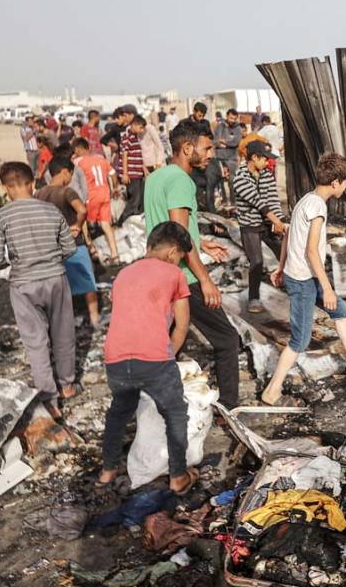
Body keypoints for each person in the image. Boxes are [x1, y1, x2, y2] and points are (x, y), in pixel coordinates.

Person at [262, 153, 346, 405]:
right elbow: (312, 251)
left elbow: (288, 234)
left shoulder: (306, 199)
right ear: (335, 183)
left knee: (340, 311)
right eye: (345, 182)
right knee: (300, 341)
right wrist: (327, 288)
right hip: (303, 281)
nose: (345, 187)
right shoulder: (318, 207)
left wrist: (281, 267)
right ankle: (272, 390)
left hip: (302, 275)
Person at [144, 121, 241, 408]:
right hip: (183, 276)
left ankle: (157, 395)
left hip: (158, 273)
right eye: (207, 147)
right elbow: (178, 233)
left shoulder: (156, 178)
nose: (211, 153)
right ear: (187, 148)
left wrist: (201, 242)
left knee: (171, 337)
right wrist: (206, 279)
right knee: (227, 339)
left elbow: (167, 228)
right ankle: (231, 407)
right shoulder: (182, 181)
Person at [97, 221, 198, 495]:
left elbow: (127, 315)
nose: (178, 263)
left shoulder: (123, 274)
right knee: (175, 412)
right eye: (179, 258)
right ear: (172, 252)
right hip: (153, 357)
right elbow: (182, 323)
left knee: (119, 411)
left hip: (115, 357)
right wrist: (168, 356)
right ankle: (177, 475)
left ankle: (108, 470)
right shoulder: (174, 274)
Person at [0, 162, 77, 418]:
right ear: (32, 183)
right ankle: (68, 385)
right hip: (56, 279)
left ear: (6, 188)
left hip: (23, 283)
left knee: (36, 342)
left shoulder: (0, 217)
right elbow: (70, 249)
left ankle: (50, 400)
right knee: (63, 334)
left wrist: (11, 261)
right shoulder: (51, 211)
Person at [36, 157, 100, 325]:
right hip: (73, 243)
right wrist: (77, 225)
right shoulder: (66, 191)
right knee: (87, 280)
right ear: (65, 171)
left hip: (52, 245)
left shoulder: (39, 193)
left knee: (62, 285)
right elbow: (82, 209)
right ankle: (94, 317)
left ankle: (66, 320)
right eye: (70, 174)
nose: (70, 178)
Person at [232, 141, 286, 313]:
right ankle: (253, 298)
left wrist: (279, 222)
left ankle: (288, 283)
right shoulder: (239, 178)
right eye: (265, 159)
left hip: (267, 223)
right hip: (250, 225)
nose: (268, 162)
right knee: (256, 261)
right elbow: (258, 202)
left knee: (284, 253)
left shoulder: (267, 175)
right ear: (254, 157)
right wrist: (275, 220)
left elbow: (272, 200)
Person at [73, 138, 120, 264]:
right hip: (104, 194)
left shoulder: (78, 162)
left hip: (90, 196)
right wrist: (114, 188)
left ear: (78, 149)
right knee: (106, 224)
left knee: (84, 222)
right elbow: (113, 173)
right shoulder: (101, 159)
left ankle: (92, 250)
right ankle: (115, 255)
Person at [118, 115, 148, 222]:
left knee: (139, 199)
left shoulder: (135, 137)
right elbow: (124, 155)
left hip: (137, 173)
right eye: (141, 127)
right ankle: (122, 221)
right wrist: (125, 174)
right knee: (135, 200)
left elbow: (138, 155)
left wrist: (144, 169)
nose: (142, 130)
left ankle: (134, 221)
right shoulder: (127, 137)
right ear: (134, 125)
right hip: (131, 174)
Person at [214, 108, 243, 205]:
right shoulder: (219, 126)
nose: (232, 121)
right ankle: (225, 201)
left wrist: (224, 142)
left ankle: (234, 202)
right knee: (220, 180)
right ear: (227, 116)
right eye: (231, 118)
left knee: (232, 181)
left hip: (232, 158)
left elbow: (236, 142)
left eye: (234, 119)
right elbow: (216, 141)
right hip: (220, 157)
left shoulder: (238, 128)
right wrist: (223, 143)